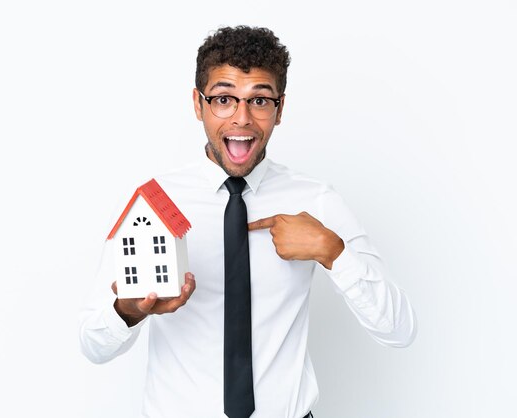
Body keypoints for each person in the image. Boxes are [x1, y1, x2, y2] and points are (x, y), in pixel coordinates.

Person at [79, 25, 416, 418]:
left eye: (259, 100)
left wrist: (333, 251)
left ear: (280, 108)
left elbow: (399, 330)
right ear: (198, 103)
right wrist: (129, 311)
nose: (241, 118)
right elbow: (92, 345)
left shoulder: (316, 201)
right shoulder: (154, 204)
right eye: (224, 99)